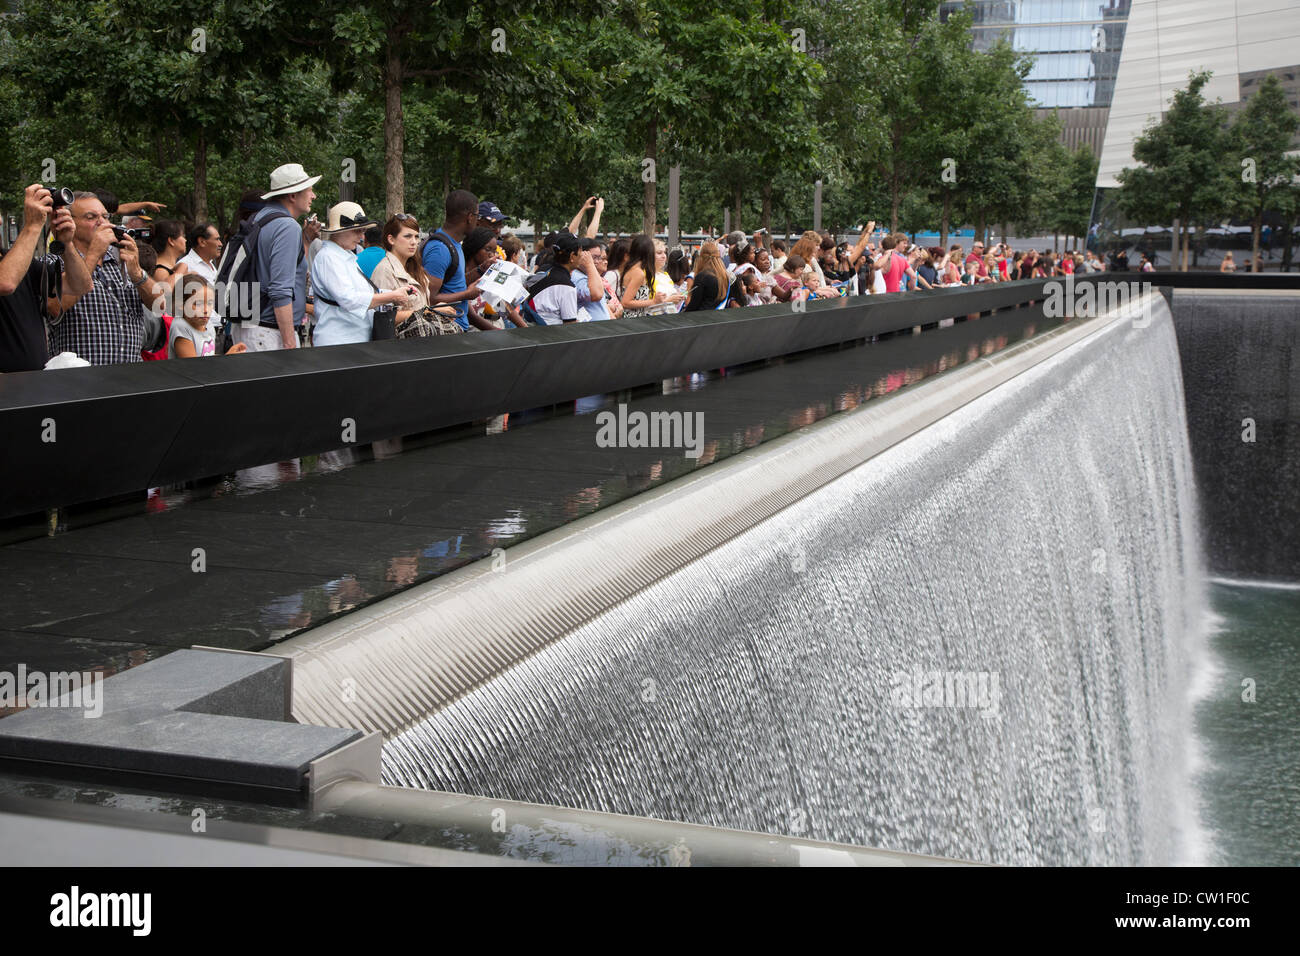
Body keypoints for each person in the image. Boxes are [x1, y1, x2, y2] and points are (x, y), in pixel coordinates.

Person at [50, 192, 170, 364]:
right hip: (80, 381)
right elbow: (55, 308)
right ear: (69, 223)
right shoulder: (54, 262)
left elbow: (159, 306)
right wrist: (93, 254)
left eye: (105, 216)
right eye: (91, 217)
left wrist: (137, 273)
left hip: (128, 377)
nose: (102, 222)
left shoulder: (120, 260)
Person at [0, 184, 93, 372]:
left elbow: (81, 285)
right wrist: (33, 225)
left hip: (29, 386)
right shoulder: (9, 268)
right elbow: (6, 283)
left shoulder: (10, 259)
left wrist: (66, 244)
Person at [239, 163, 319, 351]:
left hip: (251, 327)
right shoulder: (286, 226)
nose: (313, 196)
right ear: (293, 195)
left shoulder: (260, 218)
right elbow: (280, 290)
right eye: (309, 190)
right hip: (269, 333)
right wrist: (289, 343)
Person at [310, 202, 411, 347]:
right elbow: (349, 299)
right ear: (340, 231)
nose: (362, 237)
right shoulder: (329, 257)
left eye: (363, 231)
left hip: (352, 341)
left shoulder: (343, 256)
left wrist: (394, 293)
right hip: (338, 342)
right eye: (357, 231)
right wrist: (392, 296)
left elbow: (364, 293)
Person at [423, 189, 492, 331]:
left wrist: (481, 270)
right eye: (477, 216)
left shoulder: (454, 244)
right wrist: (467, 294)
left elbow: (454, 284)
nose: (477, 221)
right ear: (470, 217)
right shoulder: (440, 249)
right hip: (445, 331)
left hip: (458, 328)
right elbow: (428, 298)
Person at [371, 214, 433, 330]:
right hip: (398, 344)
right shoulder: (384, 270)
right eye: (408, 236)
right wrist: (432, 313)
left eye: (416, 236)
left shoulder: (416, 268)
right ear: (391, 239)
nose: (414, 242)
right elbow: (384, 318)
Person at [168, 274, 247, 358]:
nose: (206, 310)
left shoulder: (208, 325)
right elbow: (192, 367)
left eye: (210, 303)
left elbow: (207, 357)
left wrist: (228, 355)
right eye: (198, 303)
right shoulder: (181, 327)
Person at [524, 231, 581, 324]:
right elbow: (570, 325)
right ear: (572, 256)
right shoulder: (567, 286)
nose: (582, 256)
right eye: (580, 252)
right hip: (549, 335)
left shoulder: (546, 273)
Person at [574, 238, 617, 322]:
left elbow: (602, 304)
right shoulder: (576, 276)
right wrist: (589, 264)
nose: (597, 261)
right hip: (590, 330)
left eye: (599, 257)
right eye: (593, 257)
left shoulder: (591, 275)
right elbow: (597, 295)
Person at [683, 242, 730, 311]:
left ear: (701, 257)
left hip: (703, 317)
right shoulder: (725, 276)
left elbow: (694, 305)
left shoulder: (702, 276)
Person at [149, 219, 189, 293]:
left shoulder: (171, 268)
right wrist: (182, 268)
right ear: (171, 241)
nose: (185, 240)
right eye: (183, 236)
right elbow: (165, 297)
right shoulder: (160, 271)